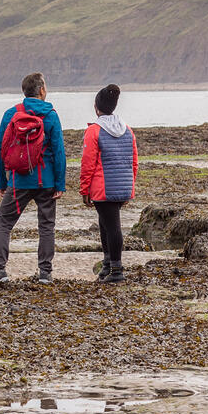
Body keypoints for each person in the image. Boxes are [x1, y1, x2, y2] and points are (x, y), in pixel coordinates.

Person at [0, 72, 67, 285]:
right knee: (46, 226)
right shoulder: (51, 115)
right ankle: (45, 273)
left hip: (19, 180)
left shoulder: (11, 114)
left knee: (3, 222)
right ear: (41, 90)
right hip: (46, 181)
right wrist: (60, 184)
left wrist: (2, 182)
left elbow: (0, 151)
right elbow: (58, 153)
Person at [79, 84, 139, 284]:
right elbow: (134, 162)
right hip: (122, 185)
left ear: (97, 108)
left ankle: (116, 269)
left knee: (112, 227)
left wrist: (84, 189)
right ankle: (107, 266)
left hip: (102, 187)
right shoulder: (127, 130)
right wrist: (130, 186)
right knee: (105, 224)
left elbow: (88, 163)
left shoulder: (94, 131)